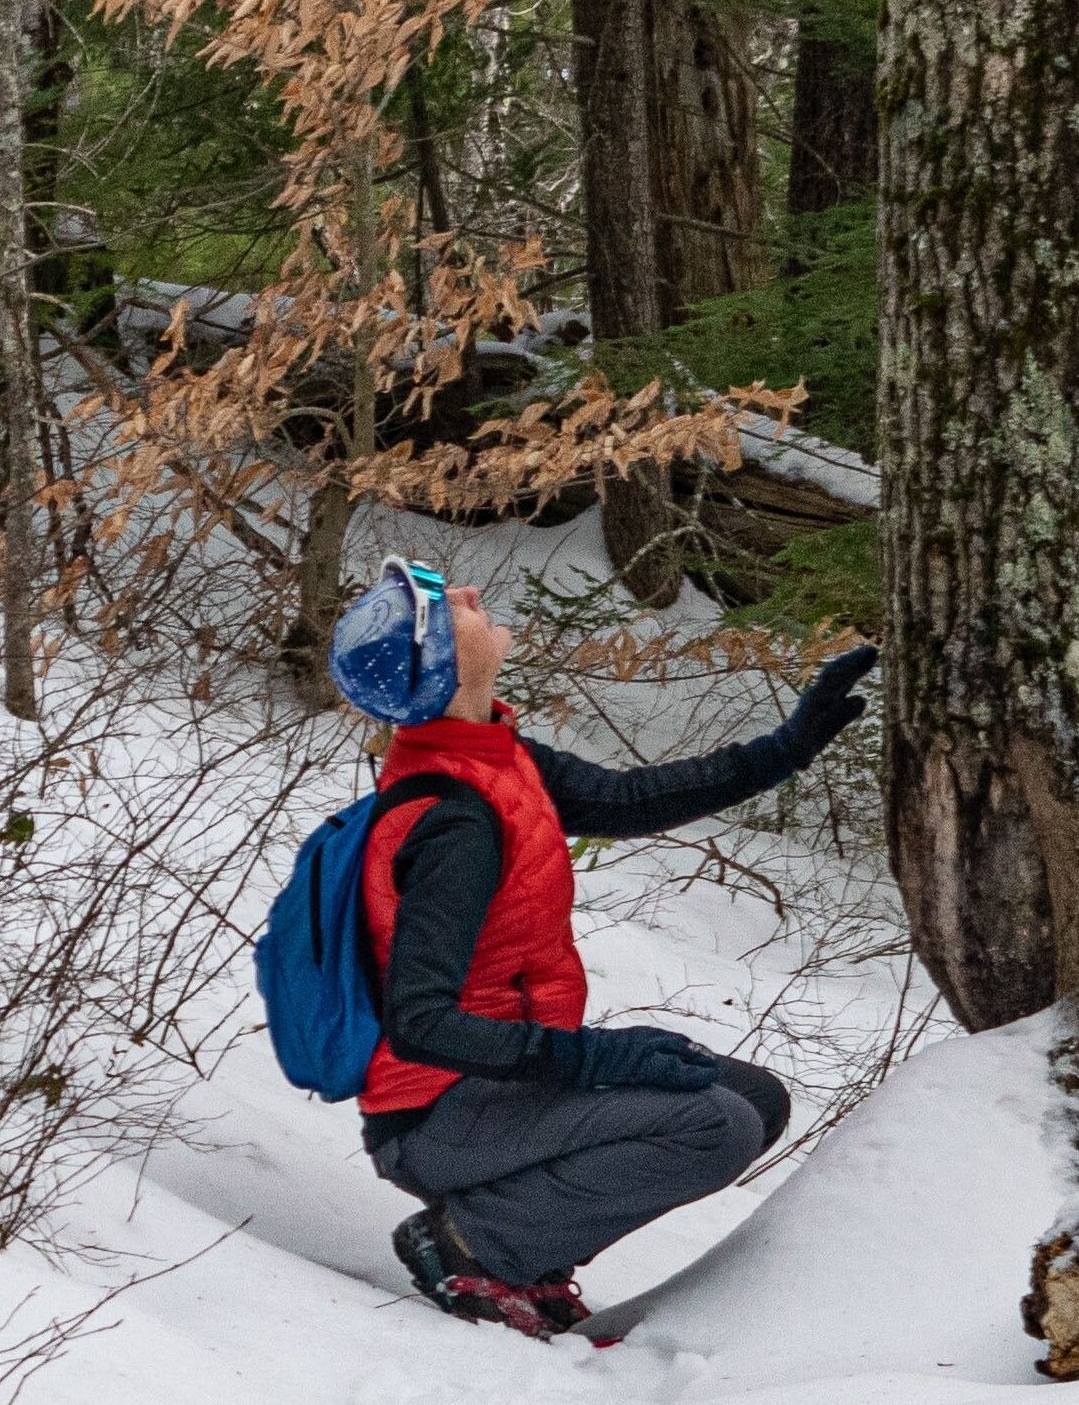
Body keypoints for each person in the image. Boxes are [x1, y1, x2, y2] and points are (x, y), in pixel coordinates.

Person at [326, 557, 878, 1337]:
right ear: (441, 665)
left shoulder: (494, 758)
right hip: (434, 1114)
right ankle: (471, 1244)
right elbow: (421, 1023)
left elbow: (626, 799)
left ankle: (529, 1247)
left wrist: (783, 749)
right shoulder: (455, 823)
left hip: (488, 1086)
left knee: (753, 1099)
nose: (471, 592)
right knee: (713, 1124)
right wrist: (596, 1056)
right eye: (448, 606)